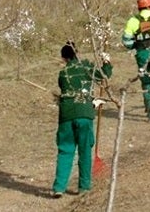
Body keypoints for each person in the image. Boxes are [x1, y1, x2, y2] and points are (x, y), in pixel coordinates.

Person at [52, 42, 112, 198]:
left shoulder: (63, 73)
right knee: (85, 150)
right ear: (76, 53)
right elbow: (104, 75)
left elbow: (66, 89)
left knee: (65, 150)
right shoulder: (86, 67)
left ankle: (59, 187)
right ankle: (84, 186)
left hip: (66, 114)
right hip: (84, 113)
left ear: (63, 57)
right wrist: (106, 62)